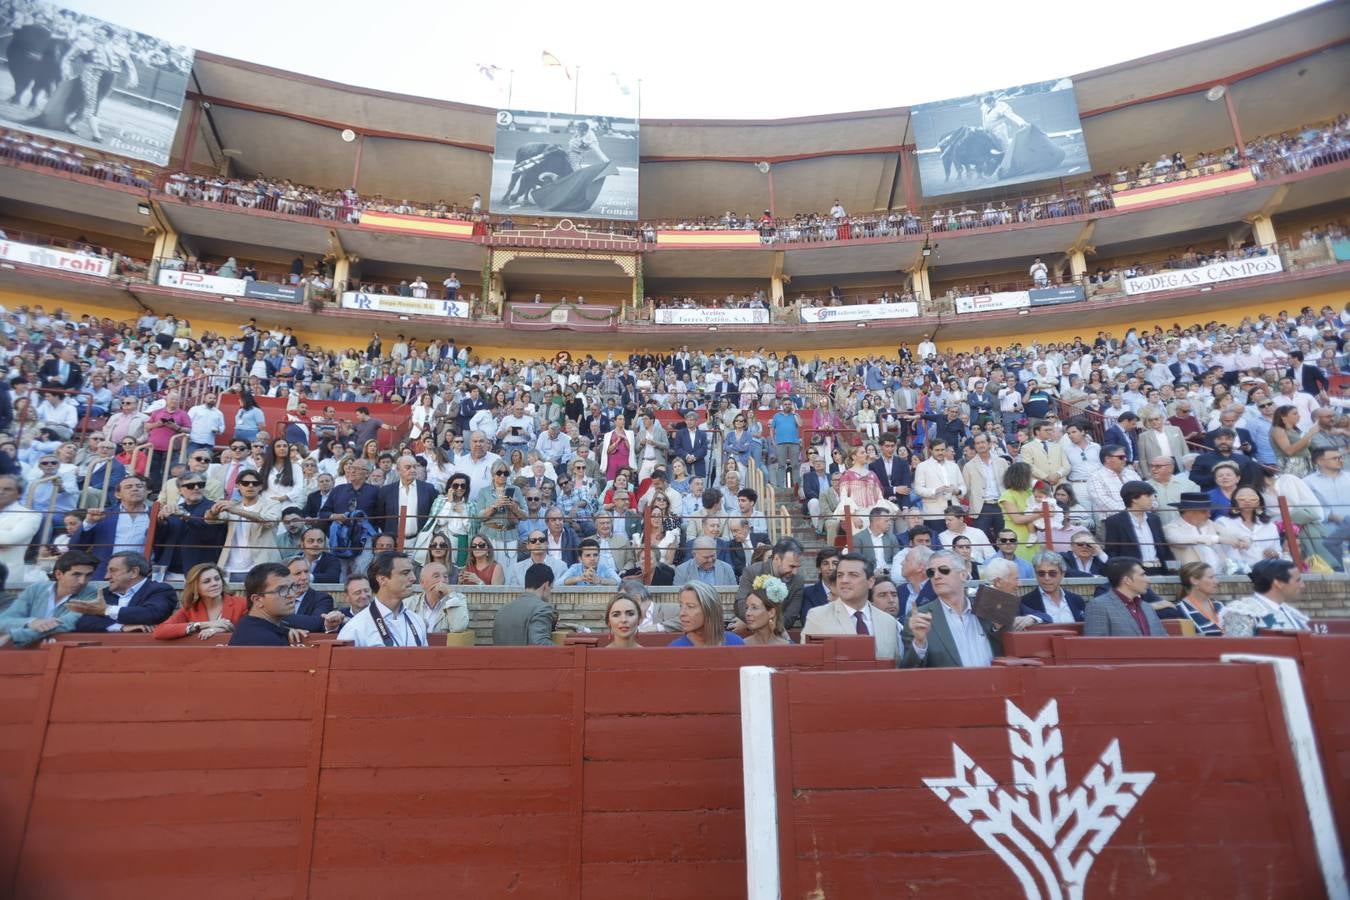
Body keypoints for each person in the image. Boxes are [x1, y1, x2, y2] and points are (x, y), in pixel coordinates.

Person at [900, 549, 1001, 668]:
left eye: (944, 570)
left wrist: (1022, 621)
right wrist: (919, 644)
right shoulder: (919, 617)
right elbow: (909, 671)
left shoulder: (987, 606)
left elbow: (1008, 642)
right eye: (931, 572)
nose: (936, 576)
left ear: (963, 575)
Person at [801, 552, 897, 661]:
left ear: (870, 582)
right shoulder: (818, 617)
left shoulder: (888, 621)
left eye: (853, 575)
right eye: (840, 575)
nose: (844, 580)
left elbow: (895, 664)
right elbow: (808, 663)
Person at [0, 550, 99, 646]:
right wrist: (31, 622)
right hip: (29, 650)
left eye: (88, 575)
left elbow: (66, 624)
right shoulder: (35, 589)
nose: (82, 581)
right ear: (58, 574)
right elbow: (3, 620)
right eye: (76, 575)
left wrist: (14, 635)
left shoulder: (91, 594)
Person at [67, 551, 177, 633]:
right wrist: (120, 627)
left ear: (134, 572)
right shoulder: (103, 594)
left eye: (113, 571)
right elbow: (80, 621)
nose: (106, 577)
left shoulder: (160, 590)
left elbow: (152, 613)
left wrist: (107, 610)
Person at [338, 551, 428, 647]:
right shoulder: (355, 628)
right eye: (405, 573)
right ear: (382, 579)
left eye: (412, 572)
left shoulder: (417, 620)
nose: (413, 578)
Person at [1219, 558, 1310, 636]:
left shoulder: (1290, 612)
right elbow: (1238, 649)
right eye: (1298, 580)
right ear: (1278, 583)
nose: (1302, 585)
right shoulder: (1241, 612)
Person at [1083, 557, 1167, 637]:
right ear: (1127, 580)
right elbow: (1095, 644)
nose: (1148, 580)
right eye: (1142, 575)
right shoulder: (1099, 606)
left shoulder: (1146, 607)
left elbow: (1163, 639)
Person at [229, 562, 307, 646]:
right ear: (257, 600)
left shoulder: (249, 626)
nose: (291, 595)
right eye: (282, 590)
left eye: (292, 587)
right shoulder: (265, 640)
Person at [1102, 482, 1172, 575]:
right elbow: (1112, 551)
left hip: (1159, 570)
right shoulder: (1115, 521)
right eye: (1148, 496)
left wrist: (1172, 570)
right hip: (1132, 573)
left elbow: (1164, 548)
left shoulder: (1154, 519)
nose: (1152, 499)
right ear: (1134, 499)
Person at [1164, 492, 1248, 570]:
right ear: (1190, 512)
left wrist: (1244, 539)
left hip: (1223, 573)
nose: (1209, 515)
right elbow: (1178, 540)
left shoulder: (1210, 523)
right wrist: (1217, 539)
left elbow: (1232, 533)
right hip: (1195, 575)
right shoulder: (1171, 528)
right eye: (1204, 511)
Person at [734, 537, 805, 629]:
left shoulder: (798, 580)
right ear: (776, 559)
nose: (795, 572)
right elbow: (740, 605)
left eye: (798, 567)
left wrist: (751, 624)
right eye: (792, 566)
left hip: (777, 633)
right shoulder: (752, 572)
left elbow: (789, 619)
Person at [1215, 486, 1284, 570]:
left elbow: (1279, 552)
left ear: (1259, 502)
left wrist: (1274, 554)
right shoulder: (1223, 522)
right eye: (1242, 498)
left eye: (1252, 498)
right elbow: (1223, 551)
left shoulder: (1270, 525)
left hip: (1268, 570)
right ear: (1234, 502)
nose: (1247, 501)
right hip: (1239, 571)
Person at [492, 563, 557, 646]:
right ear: (546, 585)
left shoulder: (503, 610)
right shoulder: (542, 608)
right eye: (551, 588)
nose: (550, 593)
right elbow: (540, 644)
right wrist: (563, 650)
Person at [1018, 551, 1088, 624]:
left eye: (1052, 573)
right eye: (1041, 573)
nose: (1047, 578)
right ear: (1036, 574)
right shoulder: (1025, 602)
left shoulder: (1076, 600)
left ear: (1062, 574)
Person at [404, 561, 470, 636]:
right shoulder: (408, 604)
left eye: (445, 576)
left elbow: (458, 627)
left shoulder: (458, 599)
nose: (442, 581)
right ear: (422, 583)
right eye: (436, 576)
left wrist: (451, 593)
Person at [670, 580, 744, 647]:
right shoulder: (676, 648)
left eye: (690, 606)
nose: (682, 613)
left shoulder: (735, 643)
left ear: (709, 609)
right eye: (681, 606)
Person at [0, 473, 40, 586]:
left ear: (19, 494)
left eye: (7, 489)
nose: (1, 492)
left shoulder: (30, 515)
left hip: (6, 578)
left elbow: (8, 540)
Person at [1173, 561, 1226, 636]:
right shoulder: (1181, 610)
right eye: (1211, 577)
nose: (1216, 581)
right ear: (1194, 580)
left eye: (1215, 577)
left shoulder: (1219, 606)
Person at [742, 574, 791, 646]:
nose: (747, 613)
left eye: (754, 607)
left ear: (771, 613)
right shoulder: (741, 645)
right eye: (747, 608)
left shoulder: (786, 646)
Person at [801, 547, 839, 618]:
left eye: (835, 563)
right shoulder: (809, 593)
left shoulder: (847, 590)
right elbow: (808, 620)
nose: (831, 568)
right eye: (825, 563)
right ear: (819, 569)